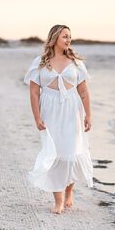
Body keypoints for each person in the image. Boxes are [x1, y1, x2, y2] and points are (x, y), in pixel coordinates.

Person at [25, 25, 94, 214]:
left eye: (70, 36)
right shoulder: (40, 62)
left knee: (71, 154)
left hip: (72, 111)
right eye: (65, 36)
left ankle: (69, 191)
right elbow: (34, 93)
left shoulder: (76, 62)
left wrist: (88, 115)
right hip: (50, 112)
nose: (68, 40)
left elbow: (84, 92)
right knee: (53, 153)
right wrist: (37, 117)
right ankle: (59, 200)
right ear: (54, 38)